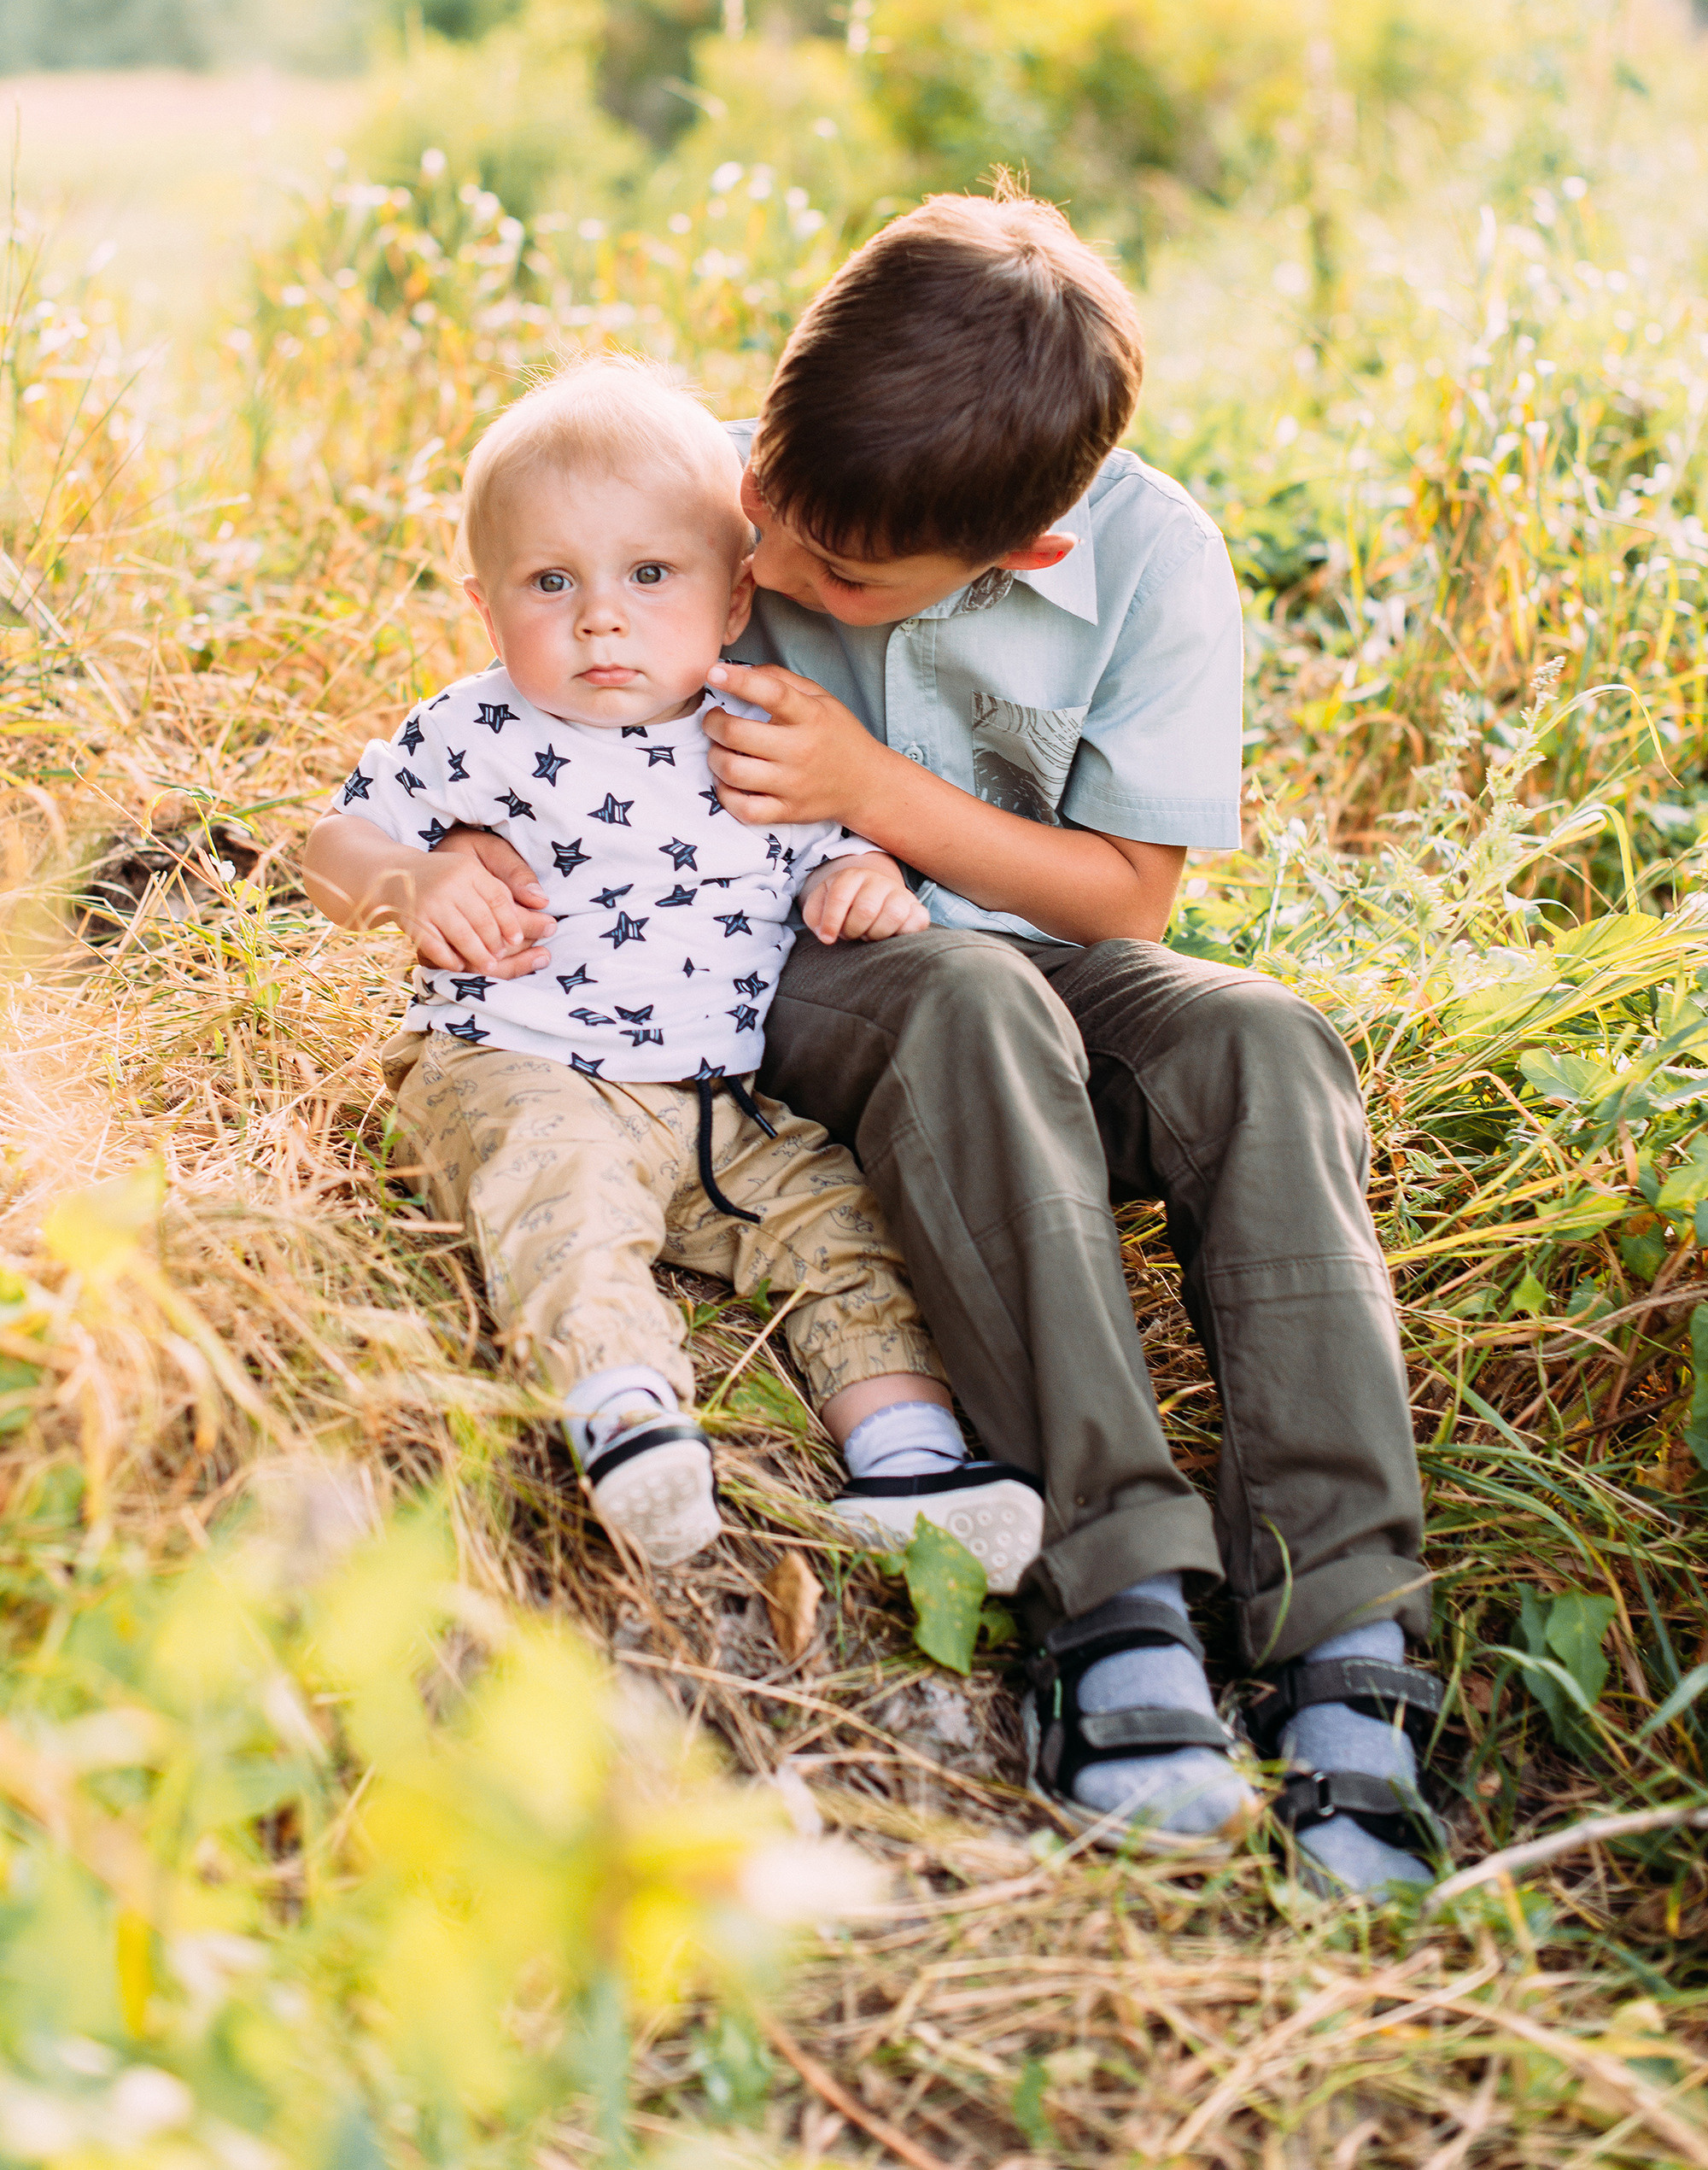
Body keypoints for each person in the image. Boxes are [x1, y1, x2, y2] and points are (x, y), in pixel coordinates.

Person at [454, 193, 1447, 1896]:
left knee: (1267, 1045)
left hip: (1050, 956)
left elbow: (1127, 898)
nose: (770, 563)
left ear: (1023, 552)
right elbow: (524, 685)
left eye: (834, 577)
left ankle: (1346, 1618)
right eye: (766, 503)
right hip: (797, 972)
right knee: (971, 1001)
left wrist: (876, 792)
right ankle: (1115, 1586)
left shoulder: (1149, 563)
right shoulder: (723, 493)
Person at [301, 356, 1044, 1586]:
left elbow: (839, 846)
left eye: (650, 575)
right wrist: (410, 881)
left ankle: (910, 1459)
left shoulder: (760, 735)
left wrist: (861, 880)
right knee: (559, 1198)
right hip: (515, 1063)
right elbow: (331, 848)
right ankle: (627, 1414)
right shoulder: (477, 730)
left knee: (837, 1223)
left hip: (718, 1107)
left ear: (735, 594)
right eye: (552, 582)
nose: (602, 618)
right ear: (485, 607)